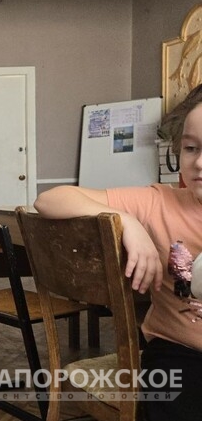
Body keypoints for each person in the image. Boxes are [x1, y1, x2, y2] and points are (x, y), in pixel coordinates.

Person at [33, 84, 202, 421]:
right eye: (191, 148)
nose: (199, 162)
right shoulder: (158, 202)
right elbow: (49, 200)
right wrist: (126, 221)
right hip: (180, 352)